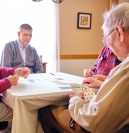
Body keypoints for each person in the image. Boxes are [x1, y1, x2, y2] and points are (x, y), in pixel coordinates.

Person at [38, 3, 129, 133]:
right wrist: (106, 81)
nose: (107, 46)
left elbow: (94, 120)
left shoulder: (125, 69)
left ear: (119, 32)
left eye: (106, 38)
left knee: (45, 110)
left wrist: (75, 99)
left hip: (99, 126)